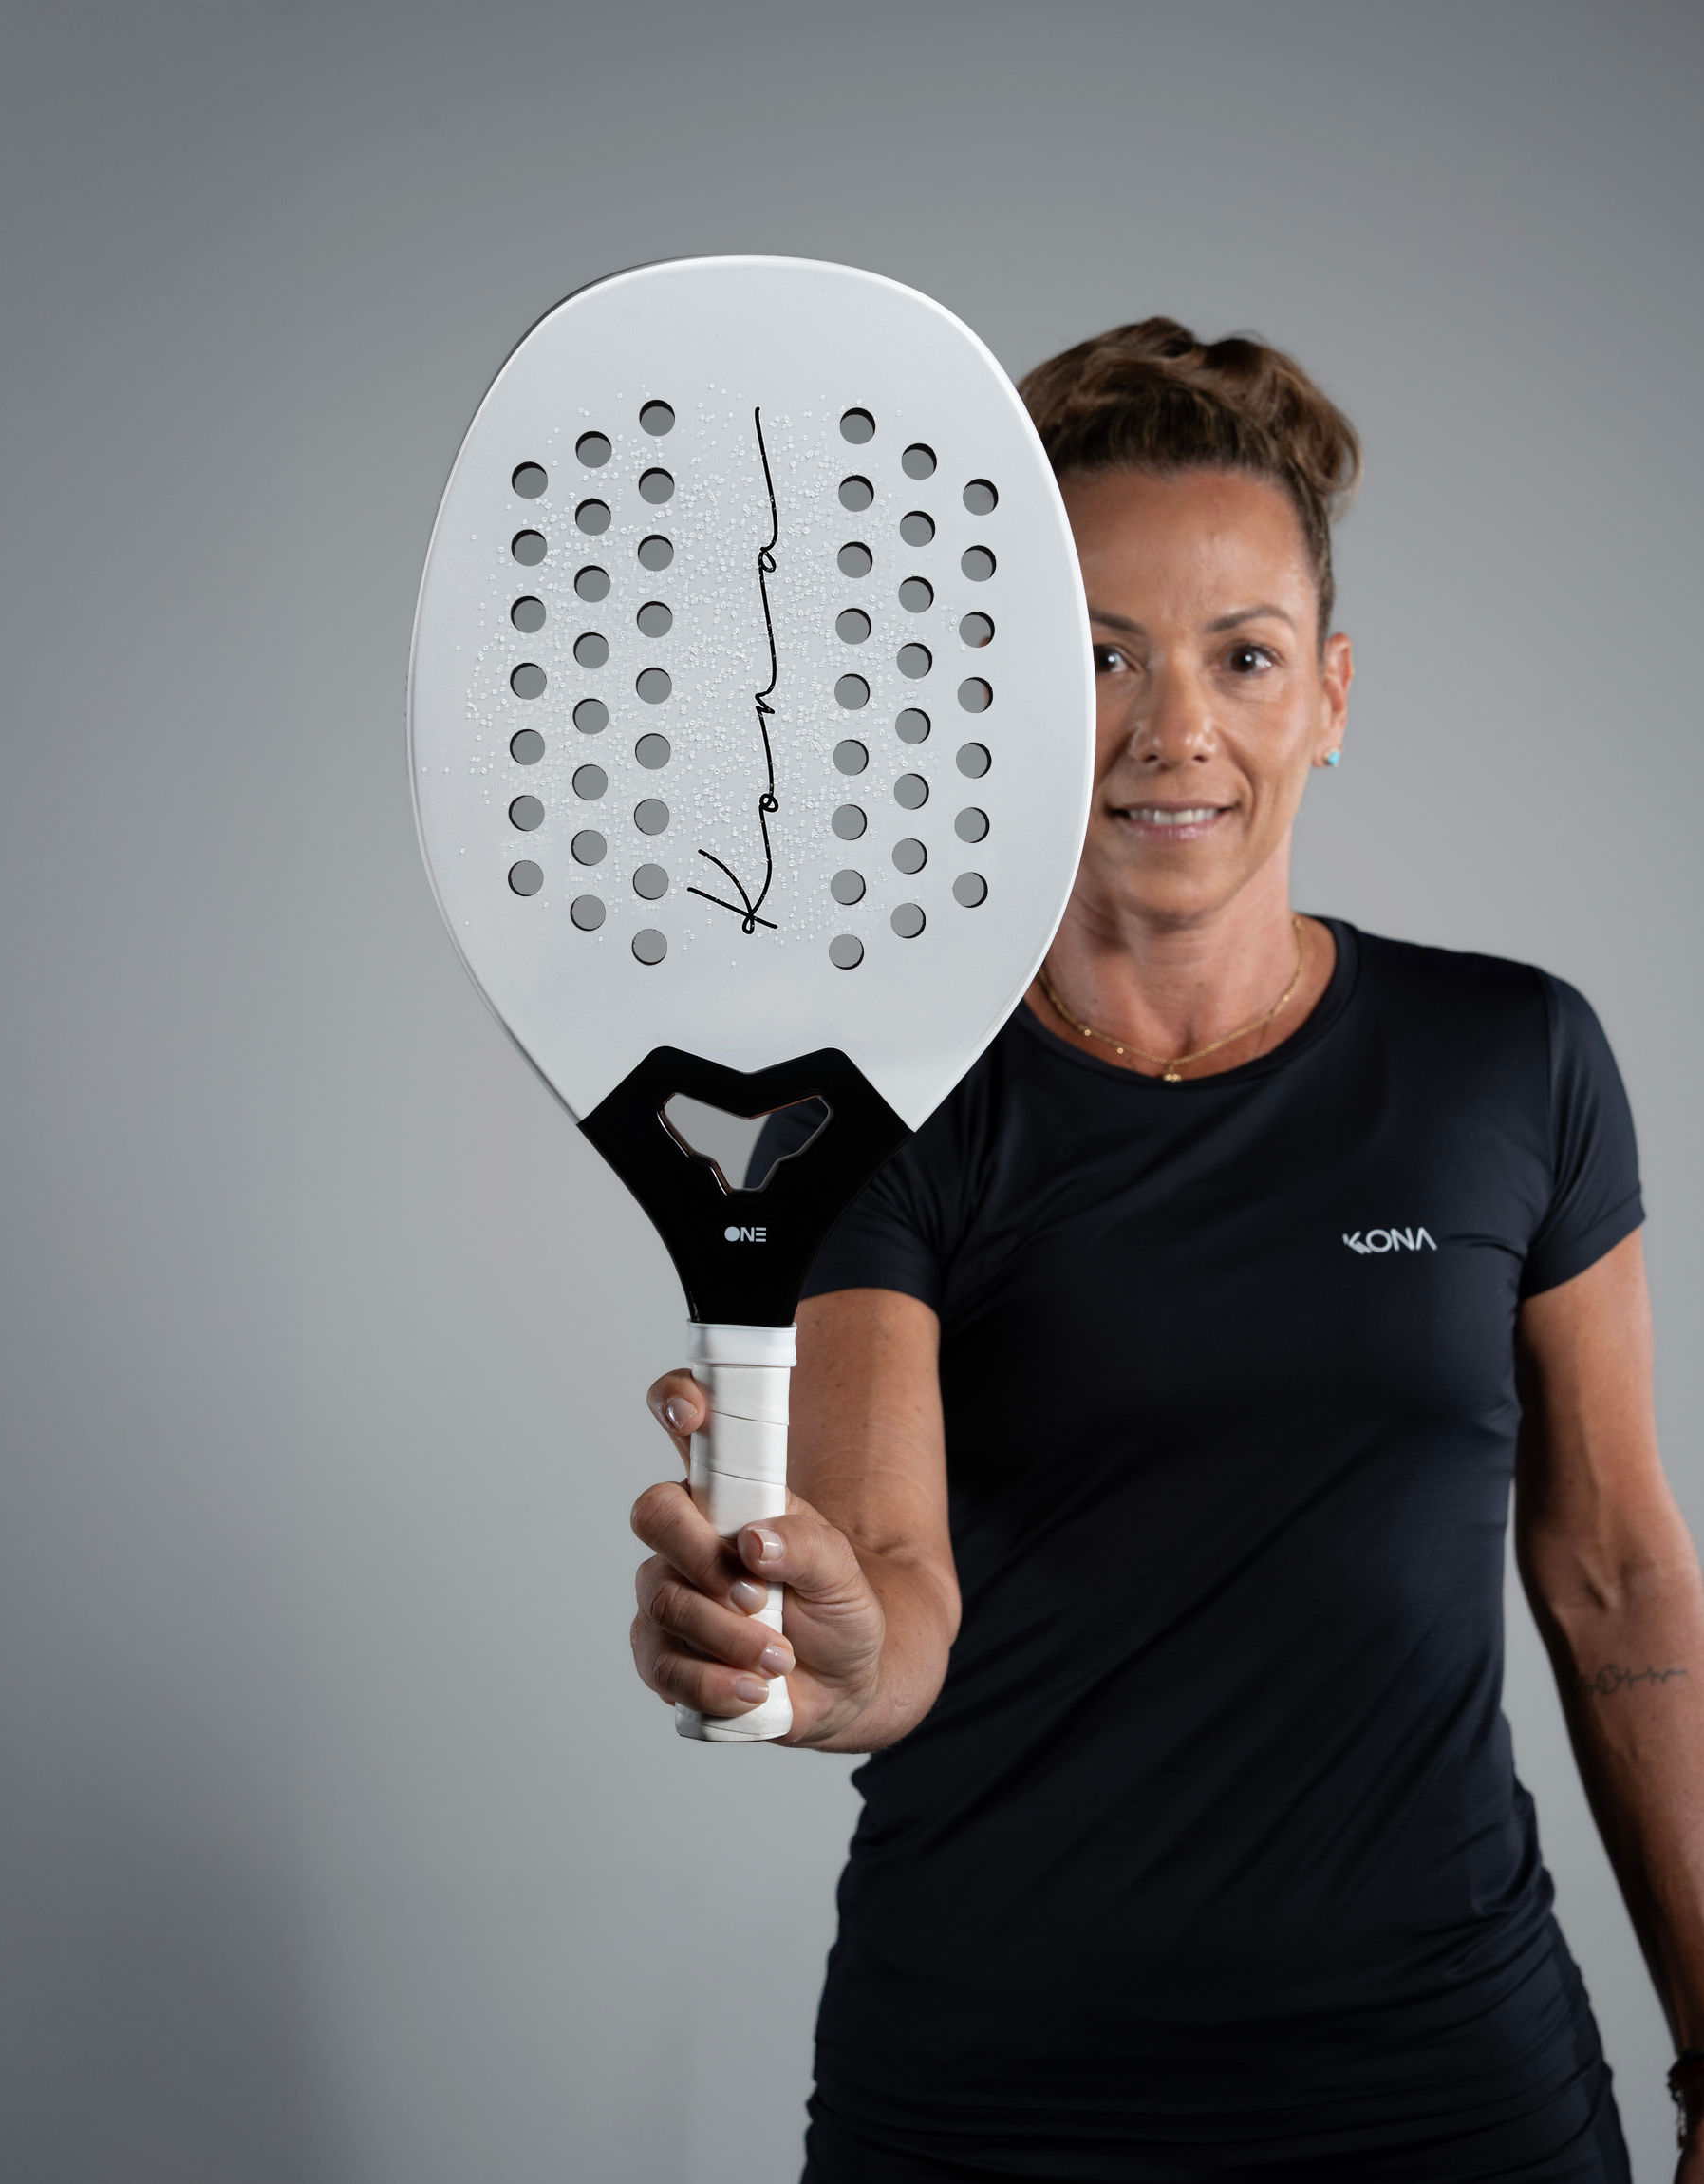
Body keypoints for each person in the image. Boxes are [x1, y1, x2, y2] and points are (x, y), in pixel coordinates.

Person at [628, 319, 1704, 2182]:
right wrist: (821, 1651)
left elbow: (1616, 1578)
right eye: (1101, 655)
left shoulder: (1512, 1060)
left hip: (1446, 2089)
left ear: (1332, 695)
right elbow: (895, 1588)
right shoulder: (886, 1108)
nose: (1173, 729)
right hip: (988, 2099)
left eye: (1245, 656)